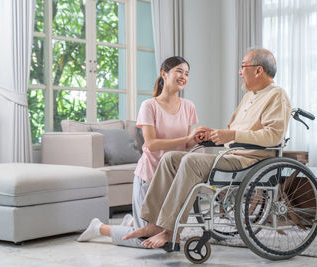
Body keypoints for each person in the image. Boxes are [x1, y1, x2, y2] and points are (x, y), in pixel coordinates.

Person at [122, 48, 292, 249]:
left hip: (250, 160)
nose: (239, 72)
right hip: (232, 154)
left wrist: (232, 135)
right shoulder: (249, 97)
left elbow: (273, 136)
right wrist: (214, 135)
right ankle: (153, 224)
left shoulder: (277, 95)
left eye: (243, 66)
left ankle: (169, 231)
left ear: (258, 70)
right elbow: (233, 132)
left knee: (190, 160)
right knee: (171, 158)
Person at [77, 56, 209, 248]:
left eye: (187, 73)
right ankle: (99, 228)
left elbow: (185, 145)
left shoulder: (188, 106)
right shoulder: (149, 106)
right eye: (179, 71)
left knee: (167, 238)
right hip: (149, 176)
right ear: (164, 74)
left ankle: (132, 222)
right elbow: (152, 144)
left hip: (173, 178)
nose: (183, 76)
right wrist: (186, 139)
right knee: (144, 240)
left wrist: (197, 139)